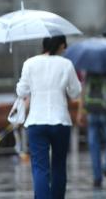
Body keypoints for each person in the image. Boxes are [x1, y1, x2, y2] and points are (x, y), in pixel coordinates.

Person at [16, 35, 81, 199]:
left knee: (39, 168)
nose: (64, 50)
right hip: (60, 121)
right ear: (60, 46)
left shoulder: (29, 63)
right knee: (59, 166)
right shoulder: (66, 64)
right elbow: (75, 92)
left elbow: (22, 92)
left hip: (36, 122)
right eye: (64, 46)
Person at [77, 70, 106, 188]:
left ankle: (97, 178)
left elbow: (83, 92)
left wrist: (81, 112)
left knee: (93, 144)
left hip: (92, 111)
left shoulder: (89, 71)